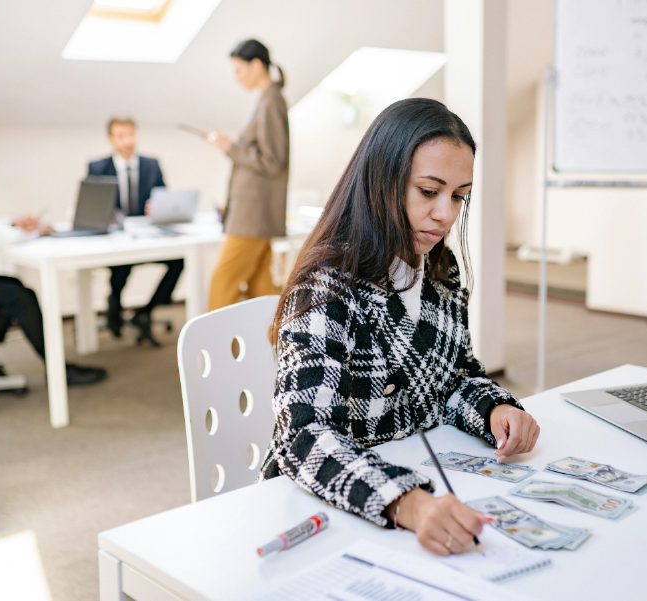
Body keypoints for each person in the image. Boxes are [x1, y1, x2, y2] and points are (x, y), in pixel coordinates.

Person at [259, 99, 541, 556]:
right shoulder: (326, 289)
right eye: (428, 192)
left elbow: (455, 376)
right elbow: (304, 436)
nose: (445, 215)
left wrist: (494, 411)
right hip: (332, 504)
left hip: (418, 486)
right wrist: (407, 503)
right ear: (381, 182)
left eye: (458, 196)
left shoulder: (441, 273)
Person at [0, 119, 107, 387]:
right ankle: (59, 371)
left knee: (10, 292)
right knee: (19, 295)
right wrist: (31, 232)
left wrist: (12, 224)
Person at [205, 39, 289, 311]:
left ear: (256, 66)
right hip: (252, 211)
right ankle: (269, 351)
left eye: (239, 70)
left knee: (223, 283)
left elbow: (273, 160)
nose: (237, 78)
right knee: (260, 288)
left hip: (253, 214)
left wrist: (230, 147)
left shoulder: (271, 101)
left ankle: (217, 351)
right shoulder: (265, 99)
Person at [88, 116, 182, 346]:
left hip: (146, 236)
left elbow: (163, 200)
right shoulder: (98, 167)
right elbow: (93, 206)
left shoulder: (151, 165)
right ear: (111, 139)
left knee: (178, 262)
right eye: (121, 136)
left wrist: (156, 208)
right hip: (116, 239)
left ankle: (145, 313)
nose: (127, 140)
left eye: (130, 134)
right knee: (121, 267)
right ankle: (114, 305)